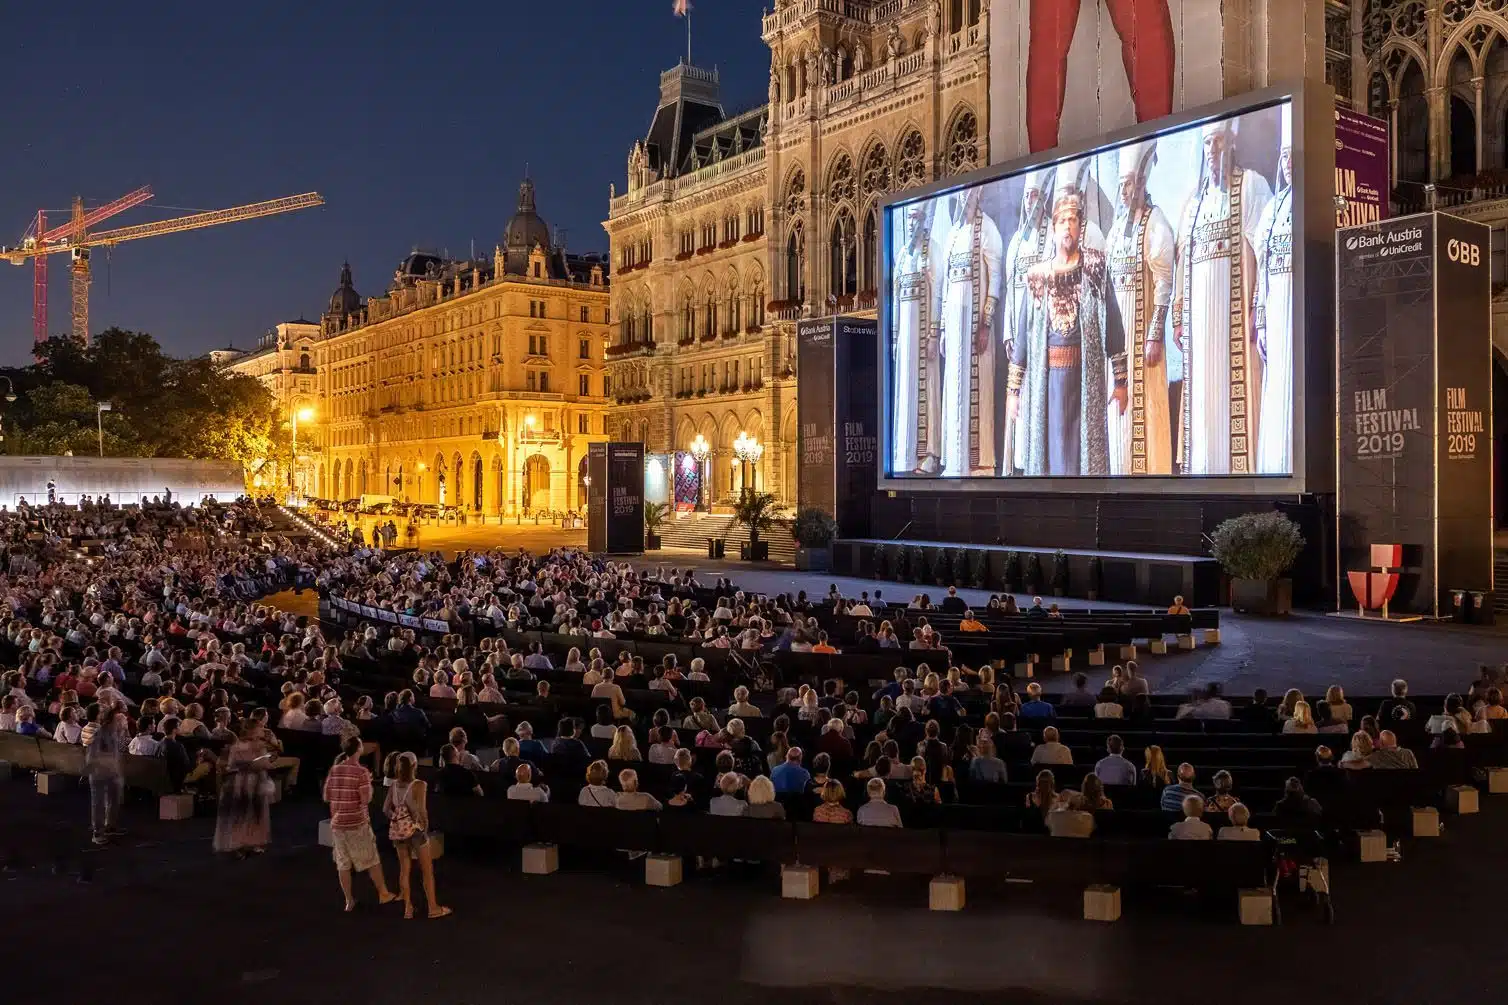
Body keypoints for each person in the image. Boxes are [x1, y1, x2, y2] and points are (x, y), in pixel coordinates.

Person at [322, 734, 397, 912]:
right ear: (359, 749)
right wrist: (368, 784)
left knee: (343, 863)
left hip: (338, 822)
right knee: (371, 859)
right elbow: (365, 799)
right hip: (357, 821)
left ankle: (349, 901)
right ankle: (383, 893)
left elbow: (326, 796)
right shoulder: (361, 772)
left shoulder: (335, 769)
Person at [382, 752, 451, 919]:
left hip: (399, 832)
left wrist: (397, 818)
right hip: (416, 832)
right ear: (414, 766)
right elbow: (421, 811)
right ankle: (433, 908)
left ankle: (407, 908)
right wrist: (424, 827)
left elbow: (386, 809)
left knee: (404, 870)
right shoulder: (419, 785)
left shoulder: (394, 786)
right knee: (427, 871)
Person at [213, 721, 274, 858]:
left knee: (238, 814)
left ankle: (238, 844)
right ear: (252, 731)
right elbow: (264, 764)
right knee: (252, 813)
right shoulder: (258, 746)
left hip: (236, 783)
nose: (262, 730)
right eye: (260, 728)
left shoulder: (236, 746)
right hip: (251, 783)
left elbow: (230, 765)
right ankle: (250, 842)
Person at [85, 706, 127, 846]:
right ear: (111, 721)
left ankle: (110, 826)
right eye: (119, 720)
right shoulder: (100, 734)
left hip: (112, 772)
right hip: (99, 773)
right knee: (98, 803)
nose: (122, 722)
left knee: (115, 799)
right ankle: (97, 832)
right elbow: (93, 755)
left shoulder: (114, 733)